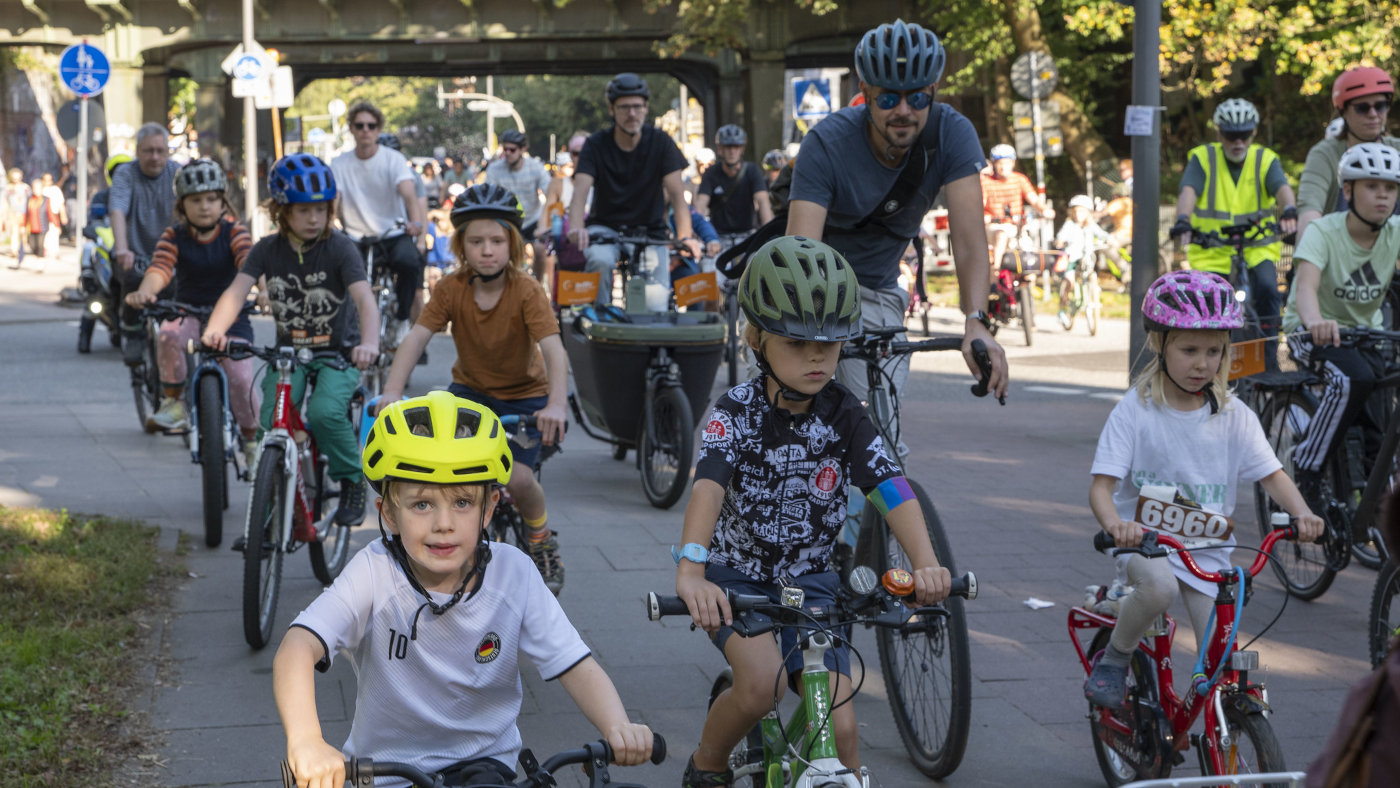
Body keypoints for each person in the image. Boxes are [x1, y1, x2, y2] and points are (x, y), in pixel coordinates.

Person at [674, 236, 951, 787]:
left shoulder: (846, 413)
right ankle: (706, 763)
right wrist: (691, 571)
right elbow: (707, 487)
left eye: (830, 344)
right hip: (736, 578)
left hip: (812, 586)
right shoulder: (737, 413)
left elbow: (891, 488)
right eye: (799, 344)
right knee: (759, 688)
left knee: (845, 733)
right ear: (757, 340)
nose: (818, 357)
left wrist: (926, 561)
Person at [273, 391, 654, 788]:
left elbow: (574, 662)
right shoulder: (374, 572)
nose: (444, 523)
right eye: (421, 504)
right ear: (389, 513)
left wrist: (618, 724)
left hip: (488, 766)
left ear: (488, 509)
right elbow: (298, 646)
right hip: (387, 773)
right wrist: (306, 740)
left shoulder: (515, 574)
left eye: (462, 502)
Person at [1083, 270, 1323, 708]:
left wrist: (1304, 515)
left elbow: (1273, 474)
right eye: (1189, 349)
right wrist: (1117, 525)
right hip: (1148, 547)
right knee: (1159, 590)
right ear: (1160, 344)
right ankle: (1115, 657)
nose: (1202, 364)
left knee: (1220, 658)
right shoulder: (1136, 411)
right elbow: (1102, 487)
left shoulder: (1234, 415)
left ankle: (1218, 730)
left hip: (1207, 553)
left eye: (1214, 351)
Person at [785, 18, 1009, 424]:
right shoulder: (826, 144)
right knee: (785, 422)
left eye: (917, 99)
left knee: (878, 431)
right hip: (811, 291)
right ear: (866, 95)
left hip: (877, 292)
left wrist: (976, 322)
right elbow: (802, 253)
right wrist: (801, 335)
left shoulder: (952, 134)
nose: (903, 111)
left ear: (933, 93)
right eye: (888, 99)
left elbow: (971, 241)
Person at [379, 183, 568, 595]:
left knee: (516, 479)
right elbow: (416, 338)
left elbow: (554, 350)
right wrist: (392, 391)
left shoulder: (526, 290)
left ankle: (540, 539)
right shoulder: (451, 288)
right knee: (446, 470)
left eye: (497, 241)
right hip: (469, 394)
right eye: (476, 241)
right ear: (461, 245)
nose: (487, 250)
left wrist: (556, 404)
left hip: (526, 398)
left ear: (513, 245)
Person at [202, 153, 379, 528]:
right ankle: (263, 520)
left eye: (321, 209)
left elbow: (364, 298)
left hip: (339, 354)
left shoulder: (340, 247)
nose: (314, 218)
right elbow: (236, 292)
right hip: (289, 355)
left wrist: (370, 343)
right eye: (303, 211)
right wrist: (214, 331)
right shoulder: (266, 249)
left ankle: (351, 480)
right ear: (282, 210)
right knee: (271, 421)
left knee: (325, 413)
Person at [1282, 143, 1400, 509]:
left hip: (1368, 335)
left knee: (1377, 420)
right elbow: (1305, 289)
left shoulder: (1395, 232)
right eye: (1371, 186)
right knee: (1352, 380)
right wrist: (1315, 321)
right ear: (1347, 191)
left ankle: (1373, 499)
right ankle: (1308, 464)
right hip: (1311, 332)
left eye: (1391, 188)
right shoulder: (1323, 232)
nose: (1383, 195)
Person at [122, 160, 261, 445]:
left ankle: (251, 440)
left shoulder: (235, 232)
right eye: (195, 200)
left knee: (240, 379)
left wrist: (266, 290)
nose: (205, 206)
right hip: (188, 312)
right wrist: (145, 292)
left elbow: (249, 264)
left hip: (233, 318)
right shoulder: (174, 235)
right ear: (182, 206)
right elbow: (159, 269)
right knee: (169, 334)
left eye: (212, 199)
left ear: (224, 202)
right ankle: (174, 402)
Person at [1171, 98, 1297, 370]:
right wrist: (1183, 219)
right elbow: (1188, 191)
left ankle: (1269, 359)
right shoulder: (1203, 158)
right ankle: (1206, 366)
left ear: (1253, 133)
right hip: (1212, 251)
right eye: (1231, 136)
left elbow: (1282, 189)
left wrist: (1289, 210)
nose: (1238, 142)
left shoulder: (1264, 159)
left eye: (1245, 135)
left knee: (1267, 290)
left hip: (1256, 247)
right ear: (1219, 134)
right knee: (1207, 307)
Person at [566, 73, 703, 306]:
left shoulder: (661, 142)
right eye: (624, 107)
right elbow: (580, 193)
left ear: (646, 108)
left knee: (655, 305)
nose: (632, 114)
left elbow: (678, 196)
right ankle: (599, 321)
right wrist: (577, 228)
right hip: (605, 229)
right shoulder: (595, 145)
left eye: (638, 107)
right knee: (599, 261)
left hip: (650, 231)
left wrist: (685, 236)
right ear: (611, 109)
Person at [331, 102, 428, 348]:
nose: (366, 130)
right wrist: (329, 226)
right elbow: (334, 200)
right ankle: (348, 331)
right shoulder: (339, 163)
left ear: (378, 129)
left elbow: (409, 196)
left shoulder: (393, 160)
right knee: (342, 277)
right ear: (351, 129)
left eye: (371, 126)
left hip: (392, 232)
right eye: (360, 125)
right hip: (355, 235)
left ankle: (402, 319)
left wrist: (415, 223)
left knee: (409, 263)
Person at [1298, 67, 1400, 243]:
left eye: (1380, 106)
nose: (1373, 115)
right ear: (1343, 111)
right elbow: (1310, 209)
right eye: (1362, 108)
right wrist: (1309, 255)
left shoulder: (1397, 150)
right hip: (1336, 256)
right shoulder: (1324, 154)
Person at [111, 122, 181, 364]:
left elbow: (189, 213)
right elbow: (118, 210)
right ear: (138, 151)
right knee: (130, 279)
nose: (155, 157)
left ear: (167, 152)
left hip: (170, 253)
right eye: (148, 150)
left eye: (160, 151)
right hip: (135, 252)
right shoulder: (125, 173)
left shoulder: (177, 173)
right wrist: (122, 248)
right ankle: (133, 334)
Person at [693, 124, 774, 258]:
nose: (732, 151)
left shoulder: (751, 171)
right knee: (711, 273)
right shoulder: (711, 173)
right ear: (720, 149)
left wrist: (770, 236)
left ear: (742, 149)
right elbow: (700, 205)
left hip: (748, 236)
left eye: (736, 147)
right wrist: (697, 234)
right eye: (728, 147)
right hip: (718, 238)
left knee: (754, 275)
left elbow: (763, 201)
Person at [484, 129, 553, 284]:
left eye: (512, 149)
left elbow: (551, 194)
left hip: (533, 219)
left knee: (541, 251)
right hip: (507, 220)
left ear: (523, 149)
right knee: (503, 255)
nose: (508, 153)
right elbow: (489, 198)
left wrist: (544, 224)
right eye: (505, 149)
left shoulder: (535, 167)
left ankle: (537, 287)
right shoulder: (494, 169)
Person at [1053, 195, 1123, 327]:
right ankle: (1062, 309)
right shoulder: (1069, 225)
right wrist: (1060, 241)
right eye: (1076, 211)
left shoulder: (1090, 225)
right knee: (1069, 282)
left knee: (1090, 275)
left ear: (1087, 213)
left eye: (1082, 212)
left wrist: (1110, 239)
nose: (1078, 215)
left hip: (1086, 257)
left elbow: (1101, 234)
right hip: (1071, 258)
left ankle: (1093, 296)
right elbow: (1061, 236)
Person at [981, 143, 1050, 273]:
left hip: (1017, 227)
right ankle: (995, 271)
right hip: (995, 227)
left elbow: (1034, 199)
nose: (1003, 167)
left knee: (1030, 257)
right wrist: (982, 216)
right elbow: (980, 203)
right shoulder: (986, 182)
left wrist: (1044, 210)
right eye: (1000, 163)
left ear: (1012, 163)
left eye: (1007, 163)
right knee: (1001, 235)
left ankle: (1029, 286)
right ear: (994, 164)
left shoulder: (1020, 179)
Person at [23, 178, 50, 264]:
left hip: (42, 226)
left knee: (40, 245)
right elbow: (26, 213)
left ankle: (41, 262)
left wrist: (56, 225)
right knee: (32, 245)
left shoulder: (46, 199)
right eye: (34, 188)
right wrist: (23, 225)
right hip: (31, 226)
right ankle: (38, 256)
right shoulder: (30, 199)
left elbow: (50, 212)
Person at [41, 173, 66, 262]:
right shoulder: (41, 190)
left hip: (54, 215)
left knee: (55, 233)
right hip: (43, 217)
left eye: (49, 180)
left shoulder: (56, 190)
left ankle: (55, 252)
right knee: (45, 235)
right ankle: (45, 251)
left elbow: (61, 204)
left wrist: (63, 215)